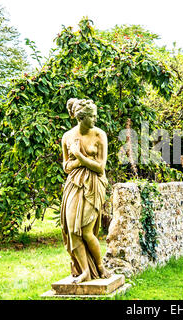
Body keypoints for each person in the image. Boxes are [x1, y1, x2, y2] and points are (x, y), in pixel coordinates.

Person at [60, 98, 111, 284]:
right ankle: (84, 272)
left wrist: (80, 156)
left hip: (94, 185)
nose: (95, 120)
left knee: (86, 230)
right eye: (92, 116)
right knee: (72, 230)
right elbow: (66, 167)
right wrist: (76, 161)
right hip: (74, 184)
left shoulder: (99, 135)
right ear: (81, 118)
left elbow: (100, 167)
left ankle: (99, 266)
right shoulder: (67, 137)